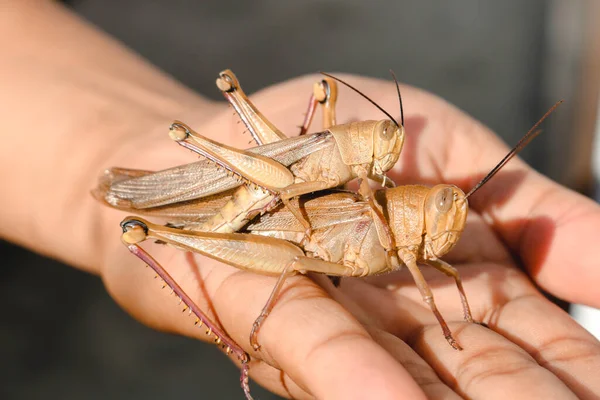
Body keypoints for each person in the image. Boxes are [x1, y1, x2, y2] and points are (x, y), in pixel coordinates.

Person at [2, 2, 599, 399]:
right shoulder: (367, 193)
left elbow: (419, 247)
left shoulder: (384, 196)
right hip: (267, 224)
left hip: (295, 192)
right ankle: (212, 291)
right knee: (280, 249)